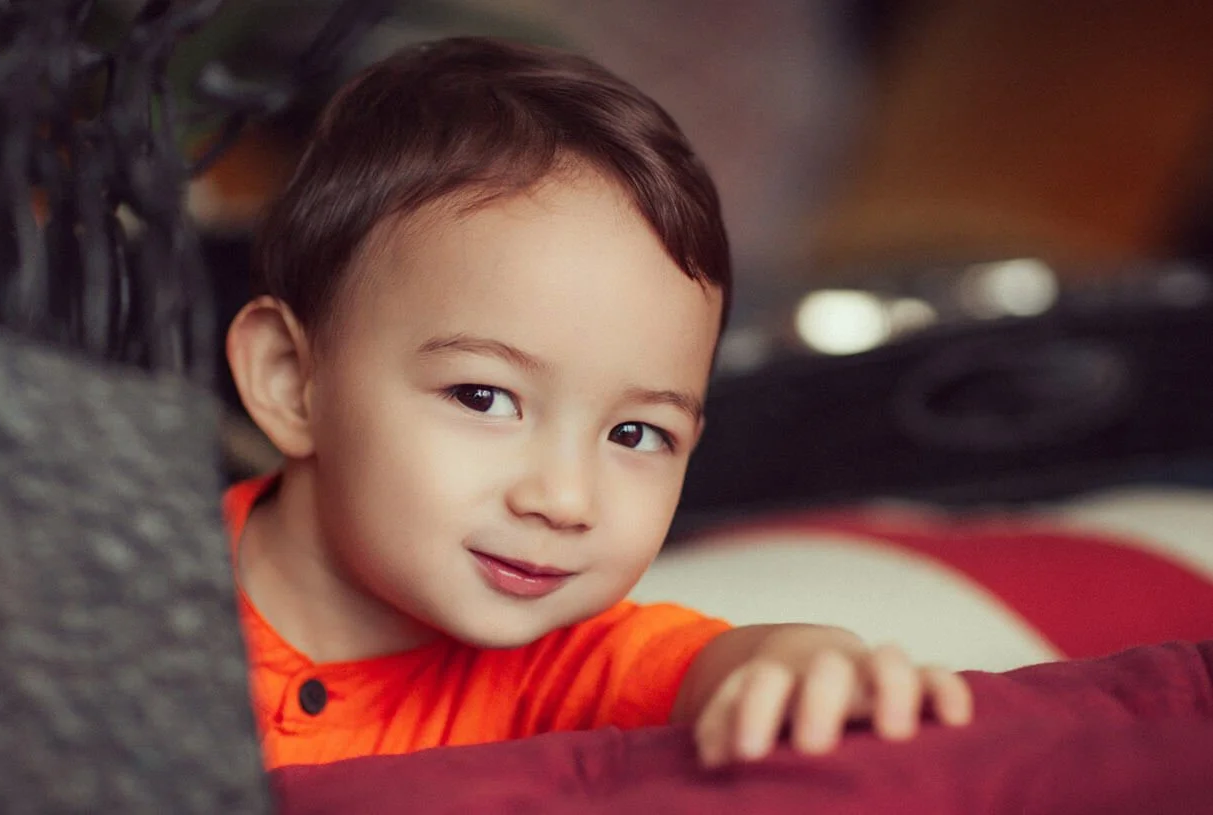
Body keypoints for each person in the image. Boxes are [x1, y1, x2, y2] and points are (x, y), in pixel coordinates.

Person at [223, 36, 972, 770]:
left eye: (637, 433)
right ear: (291, 378)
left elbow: (712, 666)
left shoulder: (559, 662)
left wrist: (808, 664)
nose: (564, 498)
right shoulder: (131, 598)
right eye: (485, 397)